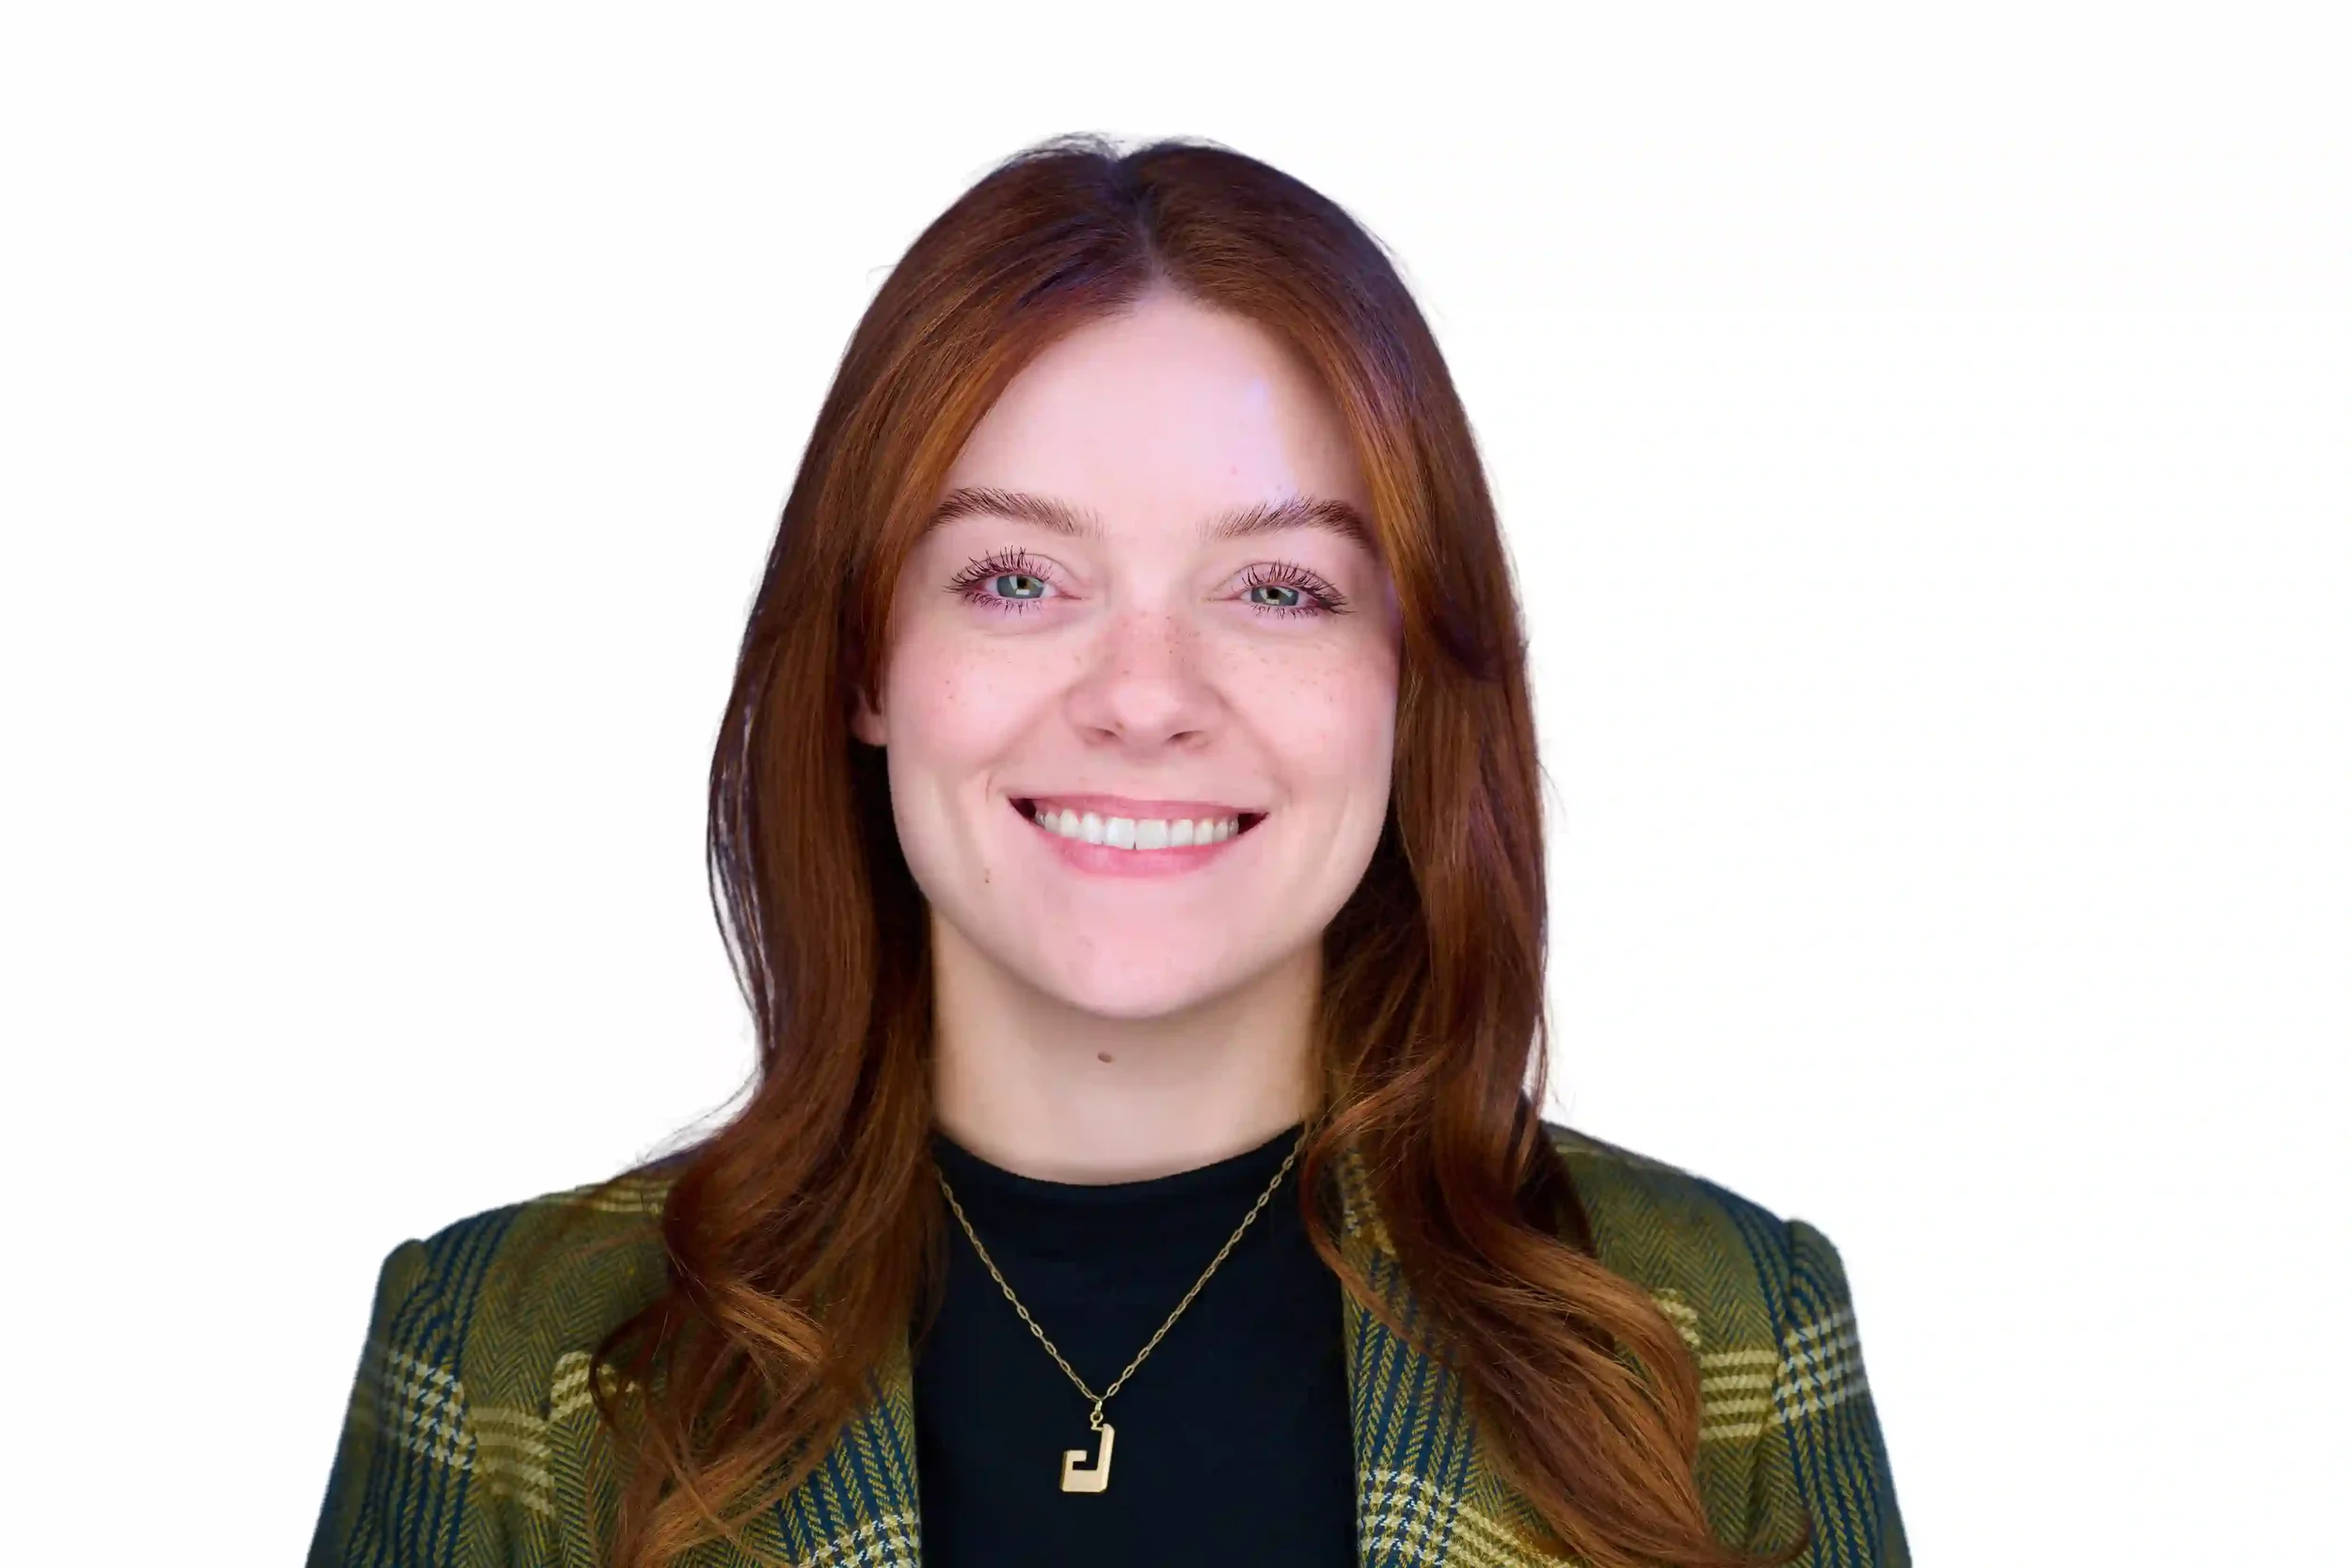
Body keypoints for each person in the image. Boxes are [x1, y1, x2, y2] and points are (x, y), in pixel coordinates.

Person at [307, 134, 1907, 1568]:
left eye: (1279, 589)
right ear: (867, 660)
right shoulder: (509, 1355)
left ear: (1412, 687)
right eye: (1017, 577)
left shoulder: (1717, 1338)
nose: (1146, 700)